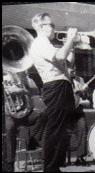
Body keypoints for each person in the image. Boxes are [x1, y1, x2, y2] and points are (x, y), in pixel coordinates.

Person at [30, 13, 78, 172]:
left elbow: (68, 61)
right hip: (55, 86)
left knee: (64, 129)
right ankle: (50, 168)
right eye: (51, 25)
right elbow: (61, 55)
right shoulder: (40, 42)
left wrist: (71, 44)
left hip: (61, 86)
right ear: (40, 27)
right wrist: (70, 38)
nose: (54, 28)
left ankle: (55, 167)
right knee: (56, 129)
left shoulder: (47, 44)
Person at [3, 70, 45, 172]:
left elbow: (36, 93)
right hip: (10, 114)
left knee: (43, 114)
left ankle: (32, 139)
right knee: (9, 129)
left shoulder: (25, 78)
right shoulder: (4, 78)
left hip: (25, 113)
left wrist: (23, 90)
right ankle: (9, 163)